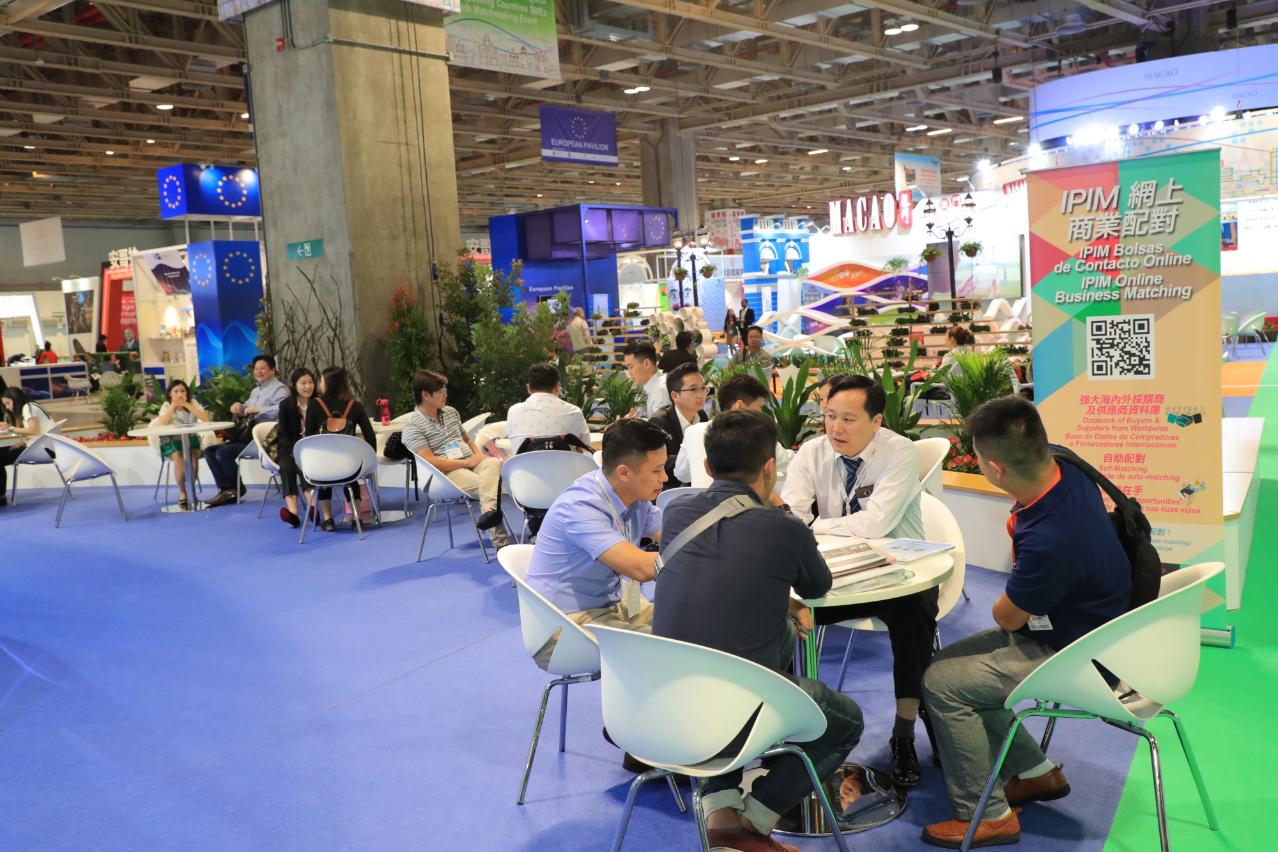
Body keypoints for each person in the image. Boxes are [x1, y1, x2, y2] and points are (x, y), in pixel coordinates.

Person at [920, 396, 1131, 848]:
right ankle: (1035, 772)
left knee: (943, 686)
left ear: (995, 469)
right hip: (1103, 627)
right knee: (944, 668)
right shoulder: (1068, 467)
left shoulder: (1052, 537)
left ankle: (988, 816)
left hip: (1078, 653)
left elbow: (1007, 616)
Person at [654, 410, 863, 852]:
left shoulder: (675, 511)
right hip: (736, 705)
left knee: (768, 634)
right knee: (846, 722)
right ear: (770, 468)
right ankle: (755, 820)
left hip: (664, 698)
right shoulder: (783, 528)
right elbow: (818, 587)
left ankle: (720, 806)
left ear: (707, 467)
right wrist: (778, 508)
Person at [781, 374, 932, 788]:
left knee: (915, 612)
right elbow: (789, 517)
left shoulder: (898, 451)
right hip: (833, 573)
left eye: (848, 419)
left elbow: (878, 523)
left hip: (897, 574)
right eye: (830, 416)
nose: (835, 428)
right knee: (778, 608)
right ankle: (790, 727)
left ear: (877, 421)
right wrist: (813, 526)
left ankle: (903, 734)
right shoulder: (811, 453)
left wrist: (816, 524)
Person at [526, 417, 666, 651]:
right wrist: (696, 560)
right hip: (564, 625)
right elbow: (641, 568)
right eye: (657, 470)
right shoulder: (580, 506)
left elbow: (674, 534)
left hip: (611, 603)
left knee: (687, 625)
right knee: (672, 647)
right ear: (624, 473)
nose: (665, 478)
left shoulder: (634, 496)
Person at [402, 370, 509, 548]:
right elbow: (430, 461)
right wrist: (466, 463)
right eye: (440, 391)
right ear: (425, 395)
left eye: (445, 390)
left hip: (470, 460)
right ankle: (501, 543)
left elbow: (467, 439)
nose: (445, 394)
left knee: (493, 462)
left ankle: (489, 511)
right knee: (488, 486)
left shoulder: (450, 412)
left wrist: (477, 455)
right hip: (445, 473)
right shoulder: (413, 427)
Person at [674, 373, 790, 491]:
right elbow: (789, 462)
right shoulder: (756, 435)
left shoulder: (693, 432)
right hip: (743, 501)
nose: (761, 414)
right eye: (760, 407)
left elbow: (681, 475)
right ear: (740, 406)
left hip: (701, 501)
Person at [205, 354, 289, 507]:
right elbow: (247, 407)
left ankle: (235, 489)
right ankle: (228, 489)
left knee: (223, 453)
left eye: (263, 368)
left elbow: (284, 409)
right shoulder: (256, 391)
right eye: (256, 369)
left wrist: (260, 410)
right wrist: (239, 406)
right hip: (247, 437)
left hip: (265, 439)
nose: (258, 372)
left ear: (273, 370)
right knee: (209, 451)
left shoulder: (280, 389)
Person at [302, 366, 376, 531]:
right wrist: (370, 464)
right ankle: (357, 517)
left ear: (328, 383)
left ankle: (328, 519)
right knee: (351, 478)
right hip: (349, 466)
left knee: (323, 476)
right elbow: (370, 436)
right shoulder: (355, 405)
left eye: (321, 380)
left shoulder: (314, 405)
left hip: (321, 467)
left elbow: (308, 438)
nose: (319, 384)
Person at [505, 362, 590, 454]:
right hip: (564, 463)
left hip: (525, 463)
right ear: (557, 387)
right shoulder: (574, 411)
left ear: (528, 388)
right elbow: (585, 443)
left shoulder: (514, 411)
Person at [648, 363, 708, 488]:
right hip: (670, 488)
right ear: (675, 396)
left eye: (703, 388)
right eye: (693, 389)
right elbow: (658, 462)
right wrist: (695, 456)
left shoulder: (702, 416)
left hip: (698, 483)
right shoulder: (659, 422)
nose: (701, 394)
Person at [155, 379, 210, 510]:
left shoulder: (192, 403)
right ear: (170, 394)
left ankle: (191, 489)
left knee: (193, 457)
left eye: (182, 391)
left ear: (187, 393)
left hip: (191, 439)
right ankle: (183, 492)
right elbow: (162, 423)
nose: (179, 394)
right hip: (171, 440)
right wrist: (173, 406)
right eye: (175, 391)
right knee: (179, 457)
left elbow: (205, 419)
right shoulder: (166, 405)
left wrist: (186, 404)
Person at [275, 367, 316, 528]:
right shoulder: (286, 405)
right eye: (303, 383)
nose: (308, 386)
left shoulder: (319, 403)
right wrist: (295, 451)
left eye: (310, 382)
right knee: (286, 466)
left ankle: (313, 509)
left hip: (313, 449)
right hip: (290, 448)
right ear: (294, 385)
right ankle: (293, 513)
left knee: (305, 466)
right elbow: (283, 434)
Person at [0, 387, 54, 505]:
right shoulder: (31, 406)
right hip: (43, 447)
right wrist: (21, 443)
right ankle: (1, 496)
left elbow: (34, 430)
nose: (7, 407)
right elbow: (37, 433)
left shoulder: (28, 408)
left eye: (8, 403)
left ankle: (1, 497)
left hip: (42, 450)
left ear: (15, 399)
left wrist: (10, 428)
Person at [622, 340, 670, 418]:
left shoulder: (660, 390)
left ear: (646, 364)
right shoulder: (651, 385)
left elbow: (659, 424)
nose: (629, 373)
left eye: (631, 367)